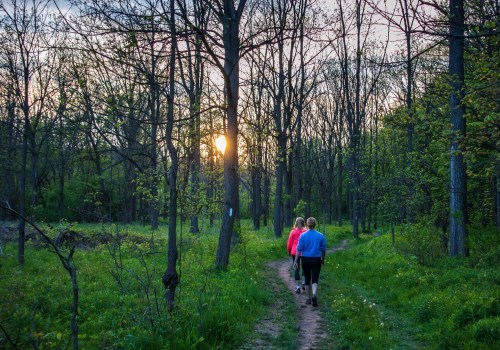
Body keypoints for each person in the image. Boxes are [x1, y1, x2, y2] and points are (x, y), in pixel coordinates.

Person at [293, 217, 326, 307]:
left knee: (307, 279)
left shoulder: (303, 235)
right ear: (315, 224)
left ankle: (308, 298)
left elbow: (299, 250)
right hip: (316, 259)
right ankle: (314, 295)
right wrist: (322, 259)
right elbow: (323, 249)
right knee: (315, 279)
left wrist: (295, 261)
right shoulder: (320, 235)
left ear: (307, 224)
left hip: (305, 259)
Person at [286, 217, 307, 294]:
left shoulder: (293, 232)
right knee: (304, 268)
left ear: (296, 223)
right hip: (304, 252)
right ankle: (304, 283)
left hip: (295, 252)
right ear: (303, 222)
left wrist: (289, 250)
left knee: (296, 268)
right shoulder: (306, 231)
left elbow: (289, 243)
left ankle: (298, 287)